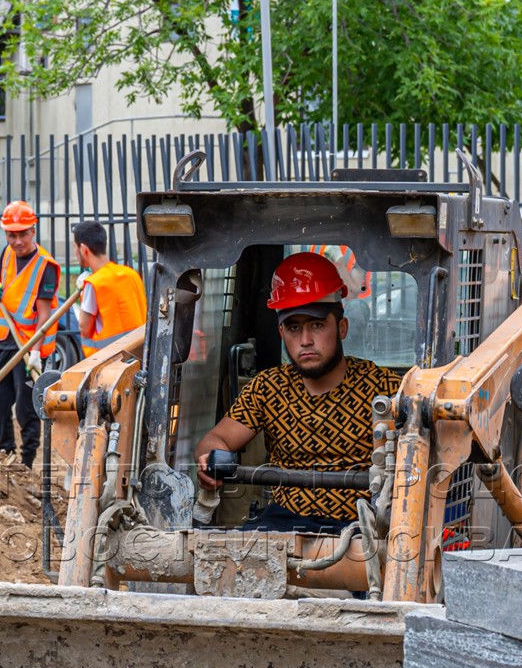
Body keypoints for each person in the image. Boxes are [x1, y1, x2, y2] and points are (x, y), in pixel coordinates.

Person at [195, 252, 400, 533]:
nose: (305, 340)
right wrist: (209, 459)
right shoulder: (268, 388)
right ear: (281, 333)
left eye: (317, 325)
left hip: (363, 524)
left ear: (341, 327)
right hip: (284, 521)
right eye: (294, 328)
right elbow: (215, 439)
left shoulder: (384, 389)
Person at [0, 200, 60, 467]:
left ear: (33, 230)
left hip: (29, 348)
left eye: (22, 233)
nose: (17, 241)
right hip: (7, 343)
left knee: (26, 407)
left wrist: (37, 352)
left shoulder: (45, 265)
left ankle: (27, 461)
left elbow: (44, 313)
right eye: (11, 234)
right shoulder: (7, 253)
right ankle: (7, 451)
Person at [71, 221, 146, 357]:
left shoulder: (94, 284)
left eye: (75, 247)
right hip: (139, 355)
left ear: (83, 249)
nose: (75, 252)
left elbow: (84, 327)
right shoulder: (131, 275)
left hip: (108, 361)